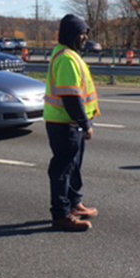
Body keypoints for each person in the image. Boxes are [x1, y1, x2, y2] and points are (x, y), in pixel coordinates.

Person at [44, 14, 101, 232]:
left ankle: (74, 203)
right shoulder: (67, 58)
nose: (85, 38)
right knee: (62, 169)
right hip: (64, 123)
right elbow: (71, 97)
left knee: (74, 166)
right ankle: (61, 214)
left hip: (68, 123)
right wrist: (85, 123)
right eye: (82, 34)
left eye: (86, 33)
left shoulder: (70, 54)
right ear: (71, 35)